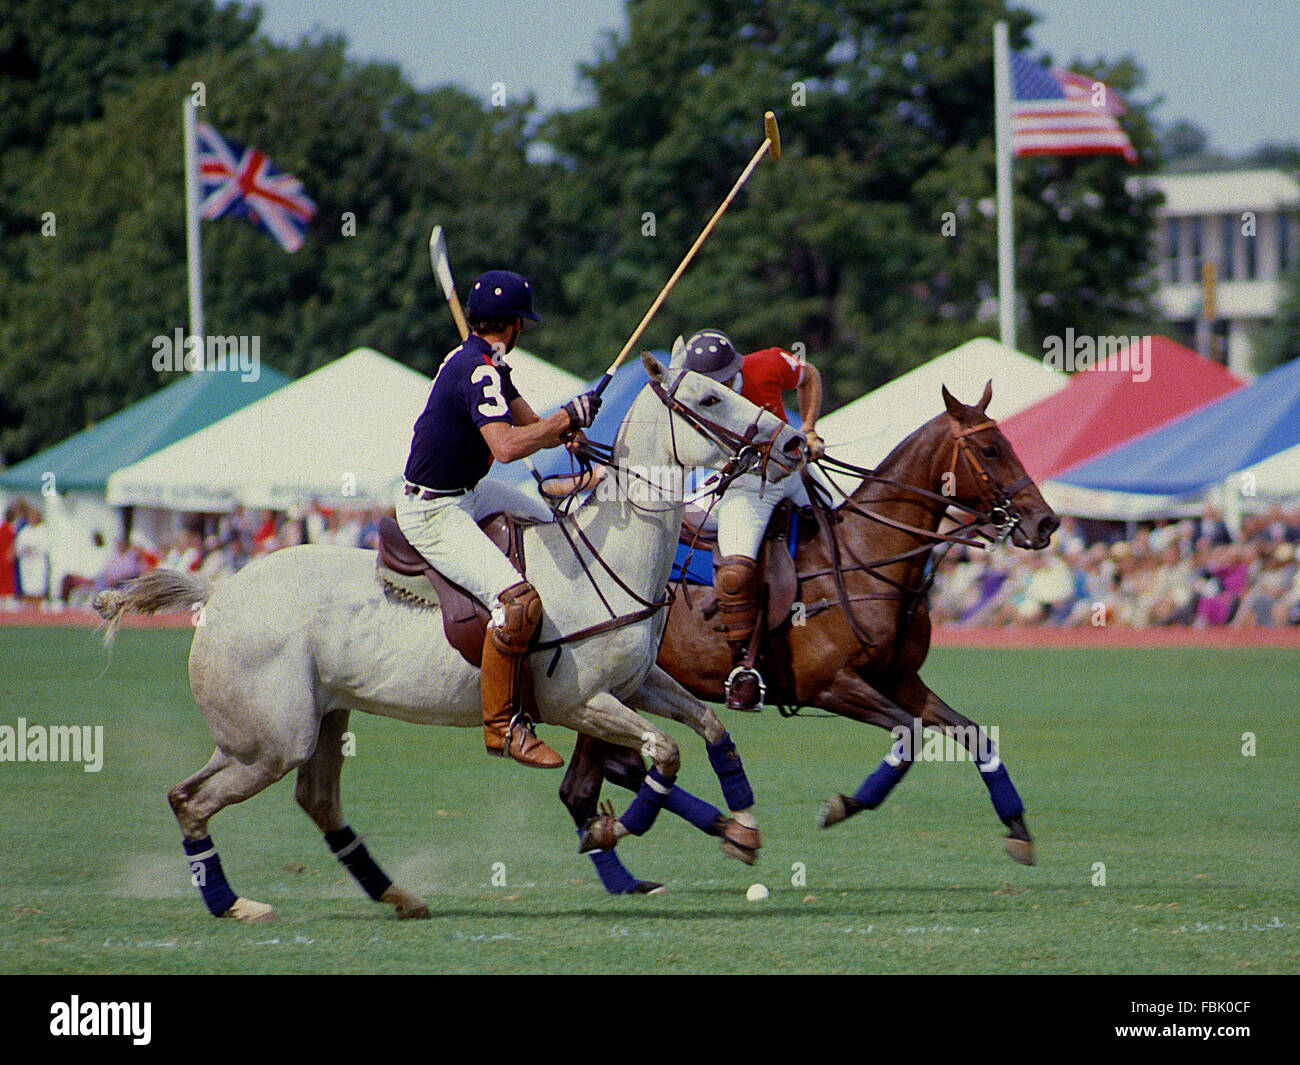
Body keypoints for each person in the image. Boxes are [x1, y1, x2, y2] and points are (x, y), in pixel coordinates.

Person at [398, 269, 602, 768]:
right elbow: (507, 447)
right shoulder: (479, 369)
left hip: (472, 490)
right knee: (517, 603)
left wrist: (568, 428)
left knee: (558, 531)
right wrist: (563, 419)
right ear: (514, 324)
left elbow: (531, 425)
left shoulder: (484, 361)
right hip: (434, 508)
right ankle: (502, 728)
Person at [678, 329, 823, 709]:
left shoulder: (768, 363)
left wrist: (808, 428)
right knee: (735, 573)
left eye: (723, 380)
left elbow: (809, 375)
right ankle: (745, 667)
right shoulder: (691, 401)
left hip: (796, 471)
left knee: (850, 526)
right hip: (747, 488)